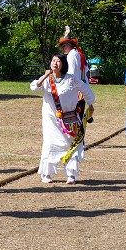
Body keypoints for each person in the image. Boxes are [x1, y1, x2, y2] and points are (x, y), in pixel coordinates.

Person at [31, 52, 96, 184]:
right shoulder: (47, 80)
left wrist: (90, 104)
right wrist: (45, 76)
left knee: (70, 144)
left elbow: (86, 91)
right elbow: (34, 88)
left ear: (63, 64)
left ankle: (71, 174)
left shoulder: (72, 79)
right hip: (51, 119)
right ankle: (46, 173)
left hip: (69, 118)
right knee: (49, 144)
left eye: (58, 61)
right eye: (53, 60)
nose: (55, 63)